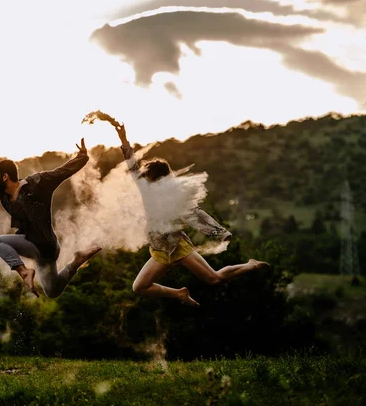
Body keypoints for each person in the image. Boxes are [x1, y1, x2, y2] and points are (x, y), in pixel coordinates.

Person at [111, 121, 269, 306]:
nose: (144, 179)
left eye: (148, 177)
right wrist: (124, 140)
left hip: (178, 247)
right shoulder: (146, 190)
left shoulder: (175, 197)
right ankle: (179, 294)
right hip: (160, 251)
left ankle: (251, 265)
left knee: (214, 279)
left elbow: (198, 216)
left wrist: (220, 233)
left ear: (158, 179)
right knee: (139, 287)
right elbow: (133, 167)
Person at [0, 129, 102, 298]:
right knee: (52, 291)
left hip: (43, 244)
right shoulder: (3, 192)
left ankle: (24, 272)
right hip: (44, 251)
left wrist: (82, 157)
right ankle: (76, 262)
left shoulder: (37, 184)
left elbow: (61, 173)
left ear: (4, 177)